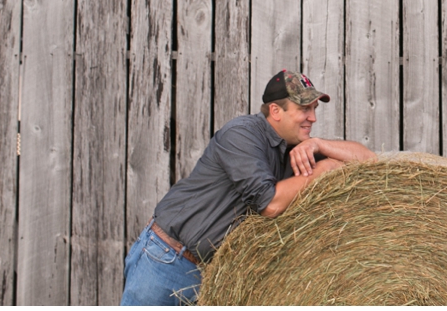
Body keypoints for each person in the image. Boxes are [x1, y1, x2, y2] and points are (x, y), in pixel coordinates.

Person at [121, 69, 376, 305]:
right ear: (276, 111)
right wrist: (320, 171)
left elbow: (369, 161)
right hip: (166, 260)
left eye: (314, 108)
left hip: (210, 276)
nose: (313, 117)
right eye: (304, 109)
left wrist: (319, 145)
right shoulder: (242, 135)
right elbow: (269, 204)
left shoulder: (296, 148)